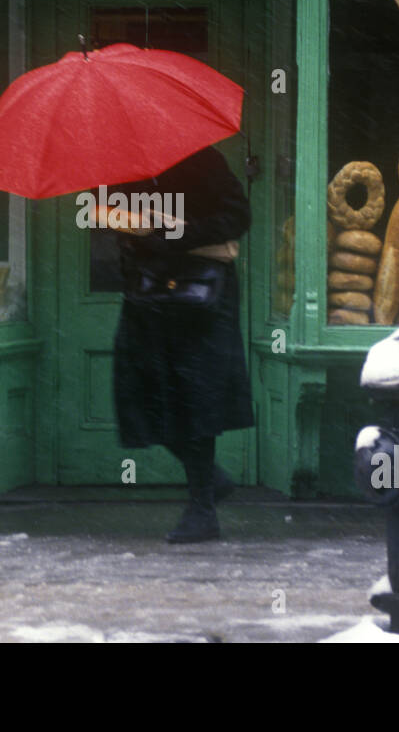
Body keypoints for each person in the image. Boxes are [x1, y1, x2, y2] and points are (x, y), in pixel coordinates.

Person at [105, 144, 254, 543]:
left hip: (199, 295)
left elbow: (238, 217)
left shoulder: (201, 159)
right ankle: (209, 481)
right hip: (147, 294)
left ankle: (202, 507)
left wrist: (171, 231)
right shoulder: (121, 167)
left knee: (196, 397)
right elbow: (109, 218)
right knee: (136, 392)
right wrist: (117, 221)